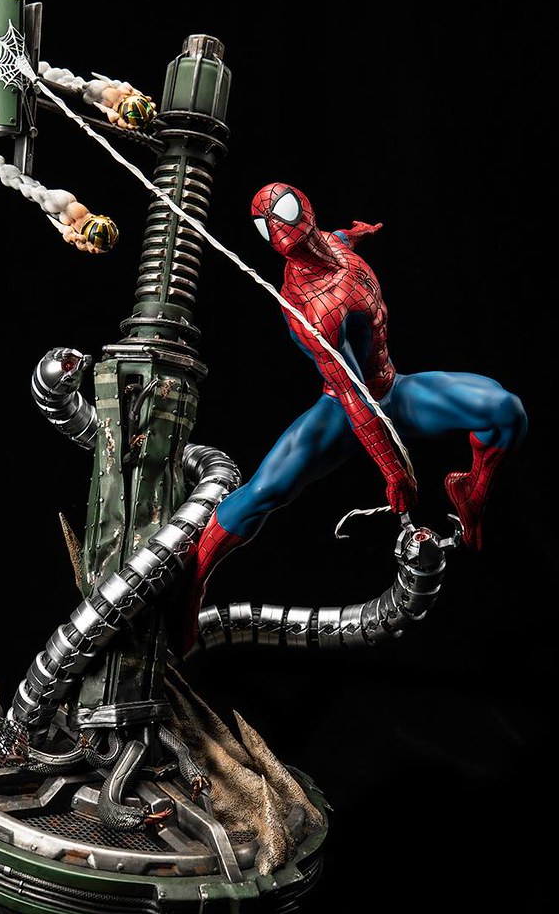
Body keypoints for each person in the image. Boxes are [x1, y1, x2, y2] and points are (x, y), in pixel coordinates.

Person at [183, 182, 527, 647]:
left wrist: (356, 233)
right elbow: (353, 396)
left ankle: (470, 491)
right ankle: (191, 586)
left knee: (505, 411)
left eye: (284, 213)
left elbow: (336, 240)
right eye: (268, 226)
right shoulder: (310, 309)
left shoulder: (333, 243)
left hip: (394, 389)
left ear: (305, 208)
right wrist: (395, 471)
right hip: (344, 413)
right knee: (263, 491)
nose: (281, 231)